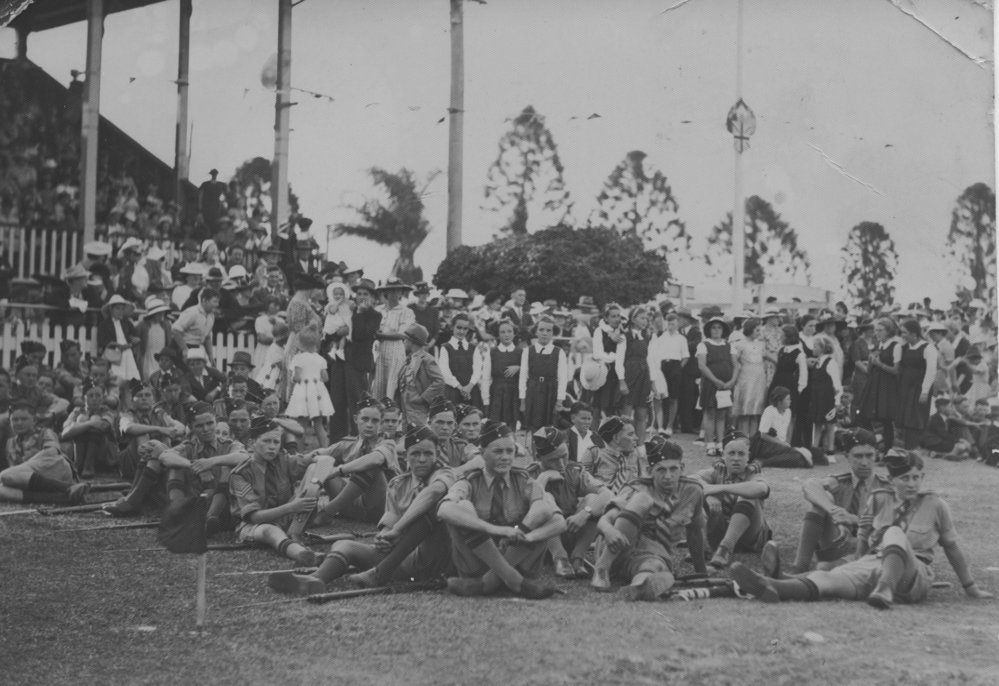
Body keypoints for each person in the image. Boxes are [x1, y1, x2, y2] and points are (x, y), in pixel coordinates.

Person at [730, 450, 993, 608]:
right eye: (905, 478)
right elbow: (864, 541)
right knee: (826, 579)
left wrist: (970, 587)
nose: (912, 484)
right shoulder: (879, 499)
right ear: (892, 480)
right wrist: (851, 566)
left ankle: (885, 589)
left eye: (916, 477)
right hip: (873, 563)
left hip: (914, 574)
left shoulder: (935, 504)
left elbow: (953, 548)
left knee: (894, 533)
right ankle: (772, 585)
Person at [268, 425, 466, 595]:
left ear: (436, 453)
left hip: (435, 558)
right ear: (406, 455)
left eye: (428, 454)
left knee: (436, 507)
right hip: (404, 558)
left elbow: (433, 493)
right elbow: (389, 521)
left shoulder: (444, 472)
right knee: (344, 545)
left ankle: (380, 573)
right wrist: (385, 537)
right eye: (416, 453)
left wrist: (398, 529)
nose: (422, 459)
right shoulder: (398, 484)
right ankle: (315, 580)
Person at [437, 420, 565, 599]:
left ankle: (489, 583)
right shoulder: (470, 481)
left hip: (522, 564)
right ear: (482, 454)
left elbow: (559, 522)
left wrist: (524, 535)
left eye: (509, 451)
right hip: (476, 566)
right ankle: (514, 581)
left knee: (542, 507)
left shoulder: (524, 481)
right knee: (463, 508)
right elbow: (444, 510)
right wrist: (495, 529)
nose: (505, 457)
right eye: (498, 451)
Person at [761, 428, 890, 577]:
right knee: (822, 498)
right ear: (847, 457)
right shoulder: (841, 482)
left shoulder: (885, 488)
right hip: (839, 543)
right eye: (858, 456)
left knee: (823, 568)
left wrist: (852, 519)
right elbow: (809, 485)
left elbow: (889, 528)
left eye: (869, 456)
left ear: (876, 456)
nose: (864, 462)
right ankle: (800, 566)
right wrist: (834, 511)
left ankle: (789, 578)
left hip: (869, 549)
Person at [590, 435, 707, 599]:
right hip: (619, 546)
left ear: (682, 468)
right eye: (661, 470)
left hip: (651, 554)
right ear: (650, 471)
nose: (668, 476)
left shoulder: (692, 491)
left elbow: (695, 532)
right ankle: (602, 568)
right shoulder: (638, 487)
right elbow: (606, 519)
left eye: (673, 469)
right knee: (642, 500)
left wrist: (701, 572)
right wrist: (609, 531)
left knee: (655, 566)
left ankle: (637, 588)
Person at [105, 403, 247, 526]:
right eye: (199, 425)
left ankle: (211, 517)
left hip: (223, 503)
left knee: (228, 465)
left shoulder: (229, 445)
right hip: (192, 500)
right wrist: (195, 466)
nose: (206, 429)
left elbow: (244, 456)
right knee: (170, 460)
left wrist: (210, 462)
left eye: (210, 423)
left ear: (215, 421)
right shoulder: (189, 446)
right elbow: (165, 456)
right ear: (191, 427)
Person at [227, 417, 321, 565]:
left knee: (315, 470)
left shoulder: (283, 461)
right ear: (252, 443)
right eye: (266, 441)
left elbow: (309, 461)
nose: (272, 447)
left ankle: (295, 535)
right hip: (254, 525)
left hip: (285, 519)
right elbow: (254, 517)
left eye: (276, 442)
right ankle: (301, 554)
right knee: (269, 531)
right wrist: (291, 507)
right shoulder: (240, 474)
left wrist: (320, 461)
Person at [529, 426, 613, 579]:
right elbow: (531, 508)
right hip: (540, 542)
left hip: (570, 531)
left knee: (593, 500)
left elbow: (607, 494)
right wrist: (543, 479)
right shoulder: (529, 475)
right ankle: (560, 558)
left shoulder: (573, 471)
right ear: (538, 458)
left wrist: (585, 513)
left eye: (564, 456)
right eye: (553, 460)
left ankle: (577, 558)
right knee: (544, 500)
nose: (561, 464)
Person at [694, 429, 771, 569]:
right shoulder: (717, 472)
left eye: (741, 454)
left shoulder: (752, 473)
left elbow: (761, 488)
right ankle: (701, 543)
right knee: (699, 494)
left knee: (748, 495)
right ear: (723, 456)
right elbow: (691, 480)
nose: (736, 458)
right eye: (731, 453)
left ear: (748, 457)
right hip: (718, 533)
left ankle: (725, 549)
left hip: (749, 539)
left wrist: (719, 489)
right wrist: (709, 495)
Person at [0, 401, 89, 505]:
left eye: (24, 419)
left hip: (56, 472)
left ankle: (68, 487)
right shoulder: (10, 443)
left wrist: (21, 469)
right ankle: (61, 498)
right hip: (33, 481)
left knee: (5, 475)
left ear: (34, 420)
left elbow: (52, 452)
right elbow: (14, 472)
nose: (19, 423)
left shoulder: (44, 432)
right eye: (14, 420)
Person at [328, 278, 381, 441]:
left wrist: (358, 314)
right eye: (359, 293)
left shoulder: (375, 315)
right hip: (340, 362)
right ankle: (336, 442)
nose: (362, 297)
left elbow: (361, 334)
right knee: (337, 403)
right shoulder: (346, 309)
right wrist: (338, 332)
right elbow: (332, 330)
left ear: (372, 298)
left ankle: (357, 441)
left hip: (358, 364)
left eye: (366, 294)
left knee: (357, 404)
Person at [118, 382, 185, 480]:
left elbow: (181, 426)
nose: (144, 398)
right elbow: (129, 428)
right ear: (132, 401)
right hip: (133, 461)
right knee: (141, 434)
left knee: (172, 435)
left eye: (147, 395)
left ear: (153, 399)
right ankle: (146, 474)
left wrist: (172, 431)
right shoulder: (128, 415)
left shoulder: (159, 414)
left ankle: (164, 468)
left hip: (160, 455)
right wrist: (159, 429)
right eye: (139, 395)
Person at [857, 317, 902, 451]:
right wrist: (872, 359)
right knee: (872, 416)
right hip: (876, 383)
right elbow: (870, 369)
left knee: (886, 419)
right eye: (876, 330)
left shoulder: (896, 345)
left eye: (880, 330)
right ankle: (879, 446)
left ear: (889, 331)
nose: (877, 333)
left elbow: (896, 370)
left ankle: (887, 450)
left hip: (887, 385)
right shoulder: (879, 345)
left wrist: (879, 364)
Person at [285, 325, 334, 448]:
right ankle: (325, 450)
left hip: (304, 393)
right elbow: (326, 378)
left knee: (301, 425)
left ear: (300, 344)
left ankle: (299, 452)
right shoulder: (321, 359)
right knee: (319, 425)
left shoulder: (298, 358)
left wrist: (292, 379)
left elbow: (297, 377)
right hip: (317, 394)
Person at [518, 316, 569, 431]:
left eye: (548, 330)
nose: (544, 333)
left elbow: (562, 378)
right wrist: (522, 400)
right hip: (533, 390)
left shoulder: (559, 352)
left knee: (549, 427)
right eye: (541, 330)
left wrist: (560, 400)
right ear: (536, 331)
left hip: (550, 392)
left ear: (553, 333)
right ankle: (533, 448)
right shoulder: (528, 351)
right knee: (532, 427)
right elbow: (522, 377)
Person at [60, 380, 118, 478]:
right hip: (78, 453)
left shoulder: (107, 411)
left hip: (103, 455)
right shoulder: (77, 412)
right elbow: (65, 433)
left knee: (94, 418)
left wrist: (86, 424)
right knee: (82, 419)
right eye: (90, 396)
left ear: (103, 398)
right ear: (84, 398)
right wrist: (90, 423)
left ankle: (88, 466)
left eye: (98, 395)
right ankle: (79, 464)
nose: (94, 399)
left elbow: (104, 426)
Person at [895, 319, 938, 449]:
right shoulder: (904, 347)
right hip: (905, 386)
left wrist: (925, 391)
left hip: (919, 386)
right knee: (905, 416)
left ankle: (912, 448)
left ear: (914, 333)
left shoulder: (928, 348)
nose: (902, 335)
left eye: (905, 332)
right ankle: (905, 449)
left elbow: (931, 370)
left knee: (915, 417)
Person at [372, 278, 416, 401]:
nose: (394, 293)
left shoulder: (406, 311)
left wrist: (381, 335)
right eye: (391, 290)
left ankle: (392, 414)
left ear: (401, 293)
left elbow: (403, 334)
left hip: (396, 350)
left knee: (393, 385)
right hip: (378, 349)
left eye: (397, 290)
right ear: (386, 292)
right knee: (378, 385)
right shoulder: (378, 310)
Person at [282, 273, 325, 400]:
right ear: (310, 288)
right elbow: (299, 328)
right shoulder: (299, 303)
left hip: (303, 345)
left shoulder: (301, 302)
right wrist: (313, 327)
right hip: (300, 346)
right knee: (299, 383)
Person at [697, 317, 735, 457]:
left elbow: (736, 365)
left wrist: (732, 380)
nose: (716, 330)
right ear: (709, 330)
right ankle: (709, 444)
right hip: (710, 383)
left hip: (726, 384)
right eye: (713, 328)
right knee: (710, 412)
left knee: (722, 413)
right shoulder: (704, 345)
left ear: (723, 330)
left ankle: (720, 443)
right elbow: (702, 365)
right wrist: (715, 380)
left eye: (719, 328)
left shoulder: (729, 345)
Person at [396, 323, 446, 428]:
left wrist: (423, 398)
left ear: (412, 341)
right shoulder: (409, 358)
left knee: (418, 430)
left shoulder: (427, 359)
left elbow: (439, 381)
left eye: (406, 339)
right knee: (406, 431)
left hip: (418, 405)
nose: (404, 341)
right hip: (405, 402)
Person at [648, 312, 689, 437]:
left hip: (675, 366)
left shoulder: (681, 338)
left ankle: (670, 426)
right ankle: (658, 425)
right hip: (662, 366)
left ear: (677, 324)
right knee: (659, 396)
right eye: (669, 323)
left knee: (673, 397)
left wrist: (678, 369)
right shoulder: (660, 337)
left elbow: (685, 356)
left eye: (673, 323)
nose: (671, 326)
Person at [619, 306, 652, 447]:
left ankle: (640, 446)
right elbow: (619, 361)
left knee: (641, 413)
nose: (645, 321)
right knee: (626, 414)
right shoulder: (624, 336)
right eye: (641, 318)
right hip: (629, 375)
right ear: (633, 319)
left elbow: (650, 359)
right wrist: (622, 381)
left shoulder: (647, 337)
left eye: (646, 318)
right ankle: (624, 443)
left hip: (644, 376)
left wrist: (651, 384)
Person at [581, 416, 642, 492]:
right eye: (630, 434)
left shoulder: (635, 454)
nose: (636, 438)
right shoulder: (594, 452)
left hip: (628, 499)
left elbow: (641, 481)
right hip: (602, 498)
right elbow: (583, 483)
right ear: (616, 438)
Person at [589, 304, 625, 427]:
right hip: (603, 371)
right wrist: (615, 357)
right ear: (606, 318)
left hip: (618, 372)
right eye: (613, 316)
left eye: (618, 316)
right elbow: (597, 353)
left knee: (614, 407)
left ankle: (612, 435)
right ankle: (592, 437)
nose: (617, 319)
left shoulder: (622, 331)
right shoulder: (599, 331)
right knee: (597, 407)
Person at [731, 318, 768, 438]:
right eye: (757, 330)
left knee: (756, 412)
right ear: (750, 330)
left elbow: (765, 360)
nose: (759, 332)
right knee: (745, 411)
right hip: (746, 379)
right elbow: (734, 362)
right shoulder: (740, 344)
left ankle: (753, 439)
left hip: (759, 378)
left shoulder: (761, 344)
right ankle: (743, 438)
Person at [439, 313, 483, 407]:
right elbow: (445, 372)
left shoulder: (473, 348)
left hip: (471, 392)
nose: (462, 331)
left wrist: (469, 387)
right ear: (452, 327)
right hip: (453, 391)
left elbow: (477, 370)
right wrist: (460, 388)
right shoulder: (445, 348)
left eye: (465, 329)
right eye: (459, 328)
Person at [482, 319, 521, 425]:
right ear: (498, 335)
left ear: (514, 333)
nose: (506, 335)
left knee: (511, 429)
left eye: (509, 331)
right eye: (502, 332)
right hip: (496, 395)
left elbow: (530, 373)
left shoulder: (521, 352)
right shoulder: (492, 353)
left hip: (514, 395)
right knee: (496, 427)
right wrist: (486, 400)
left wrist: (519, 368)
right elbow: (485, 379)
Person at [810, 336, 843, 456]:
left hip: (828, 399)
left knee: (829, 425)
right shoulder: (817, 362)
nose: (812, 348)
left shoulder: (831, 362)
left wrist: (837, 401)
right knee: (817, 424)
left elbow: (837, 384)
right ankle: (815, 450)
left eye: (815, 346)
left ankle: (830, 451)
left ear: (823, 348)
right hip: (817, 398)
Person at [172, 287, 220, 364]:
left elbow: (207, 337)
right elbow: (175, 330)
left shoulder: (211, 316)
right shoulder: (192, 312)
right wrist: (185, 350)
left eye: (217, 302)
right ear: (204, 300)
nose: (217, 305)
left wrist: (210, 356)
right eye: (214, 301)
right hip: (180, 347)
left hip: (195, 348)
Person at [408, 282, 441, 351]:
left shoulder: (434, 311)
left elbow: (436, 332)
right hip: (412, 347)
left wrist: (429, 346)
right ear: (416, 294)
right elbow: (406, 329)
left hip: (428, 347)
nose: (424, 296)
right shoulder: (410, 309)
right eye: (421, 293)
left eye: (426, 293)